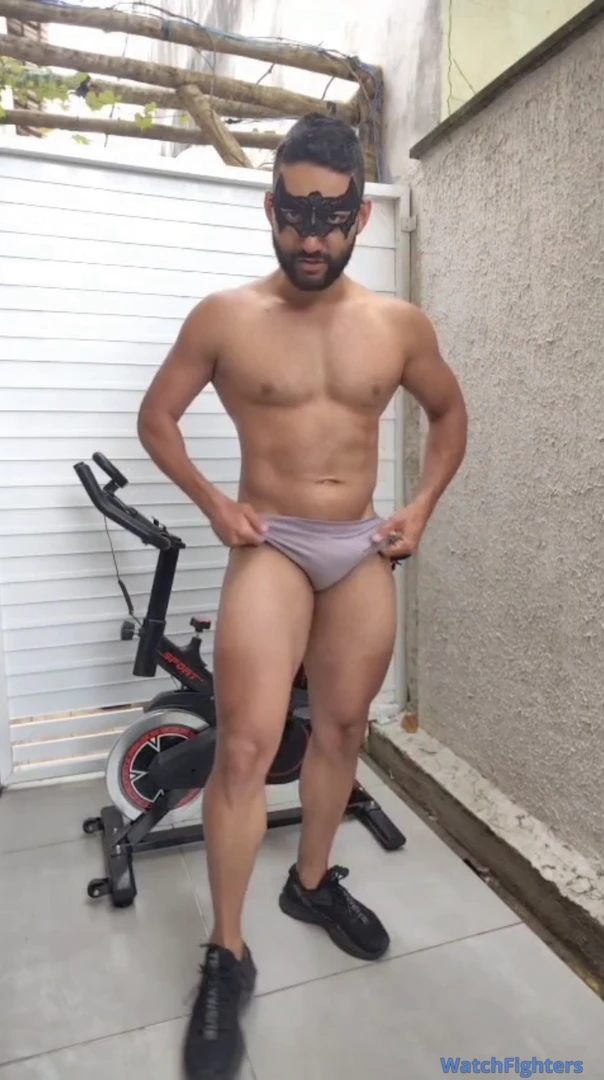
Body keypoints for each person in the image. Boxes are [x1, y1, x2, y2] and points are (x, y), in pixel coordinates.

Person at [137, 111, 467, 1080]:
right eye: (294, 214)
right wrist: (215, 505)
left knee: (343, 728)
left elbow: (449, 413)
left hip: (358, 545)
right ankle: (226, 953)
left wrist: (421, 507)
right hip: (273, 544)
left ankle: (312, 884)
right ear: (270, 209)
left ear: (359, 217)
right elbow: (158, 417)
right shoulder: (225, 318)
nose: (309, 237)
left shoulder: (397, 326)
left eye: (329, 218)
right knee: (245, 746)